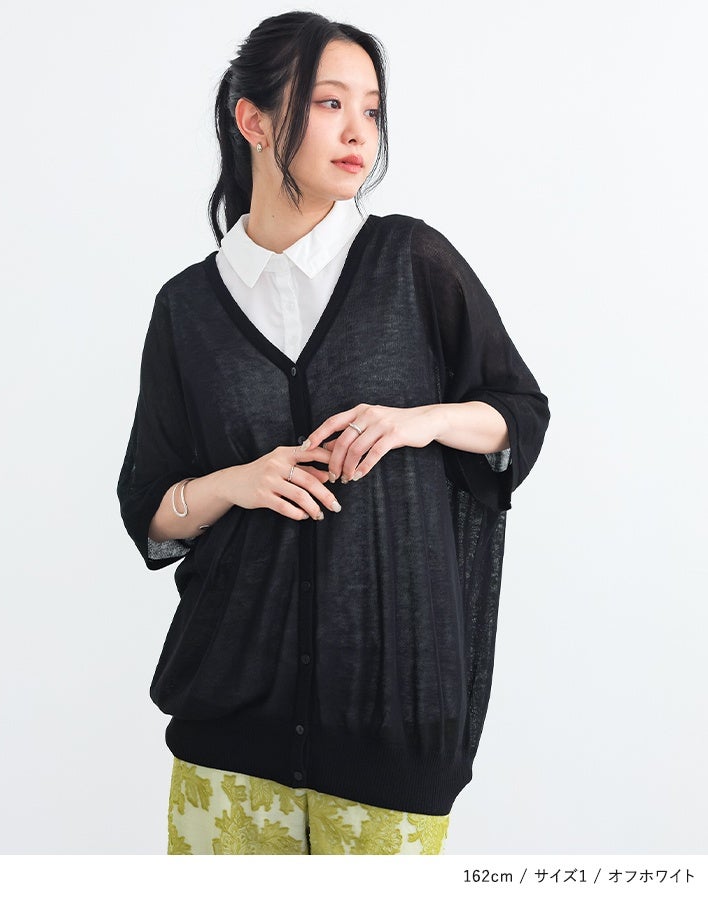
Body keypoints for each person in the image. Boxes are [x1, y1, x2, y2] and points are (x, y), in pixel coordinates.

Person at [117, 10, 550, 855]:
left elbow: (518, 412)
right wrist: (236, 482)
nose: (359, 132)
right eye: (329, 104)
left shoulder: (412, 263)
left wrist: (418, 422)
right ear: (253, 119)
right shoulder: (187, 310)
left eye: (372, 110)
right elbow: (151, 510)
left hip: (391, 724)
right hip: (227, 734)